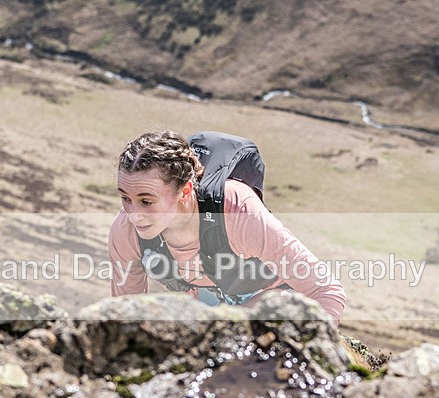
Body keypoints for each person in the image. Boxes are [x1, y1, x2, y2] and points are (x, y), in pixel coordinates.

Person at [107, 130, 346, 324]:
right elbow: (126, 316)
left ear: (185, 191)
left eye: (146, 201)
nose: (134, 215)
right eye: (125, 198)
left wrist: (317, 354)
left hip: (271, 304)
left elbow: (327, 291)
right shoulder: (126, 231)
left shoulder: (237, 210)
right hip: (205, 310)